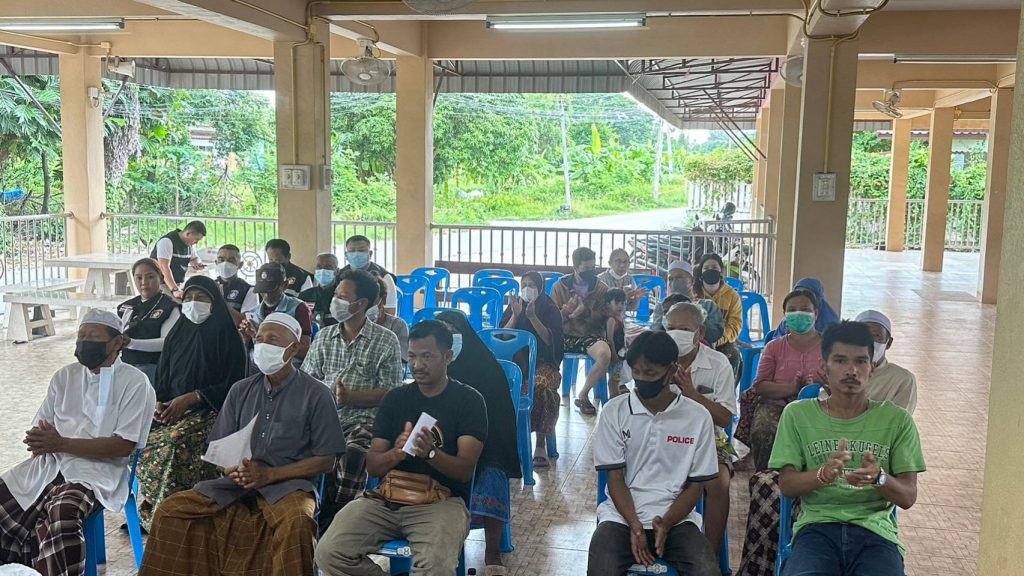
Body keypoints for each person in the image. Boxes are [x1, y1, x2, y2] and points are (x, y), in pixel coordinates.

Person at [138, 314, 346, 576]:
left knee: (297, 521)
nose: (263, 345)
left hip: (289, 486)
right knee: (171, 511)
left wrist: (270, 474)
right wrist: (233, 471)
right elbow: (220, 448)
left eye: (272, 339)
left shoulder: (316, 394)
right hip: (235, 485)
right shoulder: (240, 390)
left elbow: (327, 460)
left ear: (293, 349)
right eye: (259, 339)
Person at [315, 321, 488, 576]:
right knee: (329, 552)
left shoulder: (469, 401)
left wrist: (430, 453)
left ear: (448, 356)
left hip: (442, 502)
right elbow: (373, 466)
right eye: (412, 356)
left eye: (427, 356)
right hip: (387, 499)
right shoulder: (395, 399)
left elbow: (464, 471)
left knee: (436, 566)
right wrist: (396, 454)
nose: (417, 365)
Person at [0, 310, 156, 576]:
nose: (85, 343)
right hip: (51, 464)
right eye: (81, 336)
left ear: (117, 342)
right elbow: (42, 427)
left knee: (64, 513)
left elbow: (122, 446)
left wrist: (60, 443)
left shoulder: (134, 383)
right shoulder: (65, 376)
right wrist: (40, 440)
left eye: (93, 337)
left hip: (99, 472)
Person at [772, 321, 926, 576]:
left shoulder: (897, 420)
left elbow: (908, 497)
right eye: (840, 360)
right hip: (817, 530)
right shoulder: (797, 415)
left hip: (876, 534)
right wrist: (822, 475)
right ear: (824, 366)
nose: (851, 370)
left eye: (861, 361)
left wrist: (879, 478)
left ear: (872, 368)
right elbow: (787, 485)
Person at [588, 331, 720, 576]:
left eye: (650, 373)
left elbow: (695, 487)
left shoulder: (697, 417)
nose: (641, 379)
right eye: (636, 372)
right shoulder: (614, 412)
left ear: (672, 371)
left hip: (677, 521)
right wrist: (635, 526)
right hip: (620, 519)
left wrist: (666, 523)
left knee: (707, 571)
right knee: (601, 569)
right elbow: (615, 479)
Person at [137, 275, 248, 530]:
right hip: (172, 409)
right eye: (189, 298)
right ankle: (154, 504)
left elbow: (234, 386)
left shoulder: (227, 336)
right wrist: (159, 402)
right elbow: (163, 377)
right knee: (137, 436)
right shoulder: (178, 334)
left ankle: (171, 514)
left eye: (202, 298)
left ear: (215, 303)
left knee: (176, 442)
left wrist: (193, 397)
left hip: (212, 410)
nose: (194, 303)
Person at [301, 269, 403, 520]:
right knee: (292, 447)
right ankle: (306, 507)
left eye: (342, 297)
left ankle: (340, 516)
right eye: (336, 294)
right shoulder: (324, 337)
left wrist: (350, 397)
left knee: (353, 455)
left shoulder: (385, 340)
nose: (335, 301)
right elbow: (306, 381)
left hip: (363, 422)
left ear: (361, 304)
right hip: (322, 419)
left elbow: (391, 393)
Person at [736, 288, 823, 576]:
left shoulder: (829, 347)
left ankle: (809, 492)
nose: (799, 314)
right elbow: (760, 386)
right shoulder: (775, 347)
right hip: (777, 405)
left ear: (816, 313)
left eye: (805, 309)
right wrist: (790, 389)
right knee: (763, 430)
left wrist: (814, 389)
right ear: (784, 315)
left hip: (818, 408)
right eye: (793, 309)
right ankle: (769, 491)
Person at [439, 310, 522, 573]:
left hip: (487, 443)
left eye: (454, 332)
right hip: (442, 444)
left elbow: (500, 420)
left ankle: (492, 550)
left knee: (491, 474)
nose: (451, 338)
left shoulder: (486, 368)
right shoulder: (434, 368)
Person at [663, 302, 737, 556]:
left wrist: (692, 394)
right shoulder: (658, 359)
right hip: (663, 438)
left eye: (684, 329)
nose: (676, 335)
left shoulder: (718, 364)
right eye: (670, 328)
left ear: (700, 332)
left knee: (718, 482)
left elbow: (725, 418)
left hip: (708, 441)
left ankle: (710, 556)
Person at [500, 271, 564, 469]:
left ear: (541, 287)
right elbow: (502, 337)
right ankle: (507, 443)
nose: (527, 289)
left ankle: (540, 444)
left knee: (540, 386)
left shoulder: (551, 309)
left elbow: (551, 341)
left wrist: (533, 317)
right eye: (524, 284)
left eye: (532, 285)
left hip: (545, 365)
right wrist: (516, 315)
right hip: (518, 366)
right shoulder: (515, 306)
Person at [551, 247, 610, 416]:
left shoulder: (601, 288)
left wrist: (586, 313)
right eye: (586, 268)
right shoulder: (560, 287)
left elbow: (604, 318)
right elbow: (551, 318)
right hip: (564, 334)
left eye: (593, 268)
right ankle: (550, 395)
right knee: (543, 352)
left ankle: (583, 394)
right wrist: (565, 313)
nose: (590, 272)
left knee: (605, 354)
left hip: (589, 335)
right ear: (575, 268)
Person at [837, 310, 917, 413]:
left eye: (876, 336)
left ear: (888, 343)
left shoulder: (902, 379)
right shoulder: (837, 372)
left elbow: (898, 419)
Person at [118, 258, 180, 385]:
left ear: (161, 278)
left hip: (152, 366)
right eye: (139, 278)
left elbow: (166, 343)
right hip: (124, 364)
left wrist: (131, 343)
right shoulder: (126, 306)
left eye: (150, 277)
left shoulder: (170, 307)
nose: (144, 283)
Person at [240, 263, 313, 363]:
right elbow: (246, 351)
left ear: (285, 285)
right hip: (258, 364)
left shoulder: (298, 308)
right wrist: (245, 337)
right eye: (263, 290)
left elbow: (306, 350)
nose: (266, 295)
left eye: (272, 290)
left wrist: (265, 336)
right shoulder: (253, 313)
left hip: (288, 363)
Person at [695, 253, 743, 380]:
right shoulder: (693, 293)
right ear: (701, 272)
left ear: (721, 271)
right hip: (694, 341)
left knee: (733, 357)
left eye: (714, 268)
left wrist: (717, 340)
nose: (710, 270)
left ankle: (727, 391)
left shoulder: (732, 296)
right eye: (706, 268)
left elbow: (735, 325)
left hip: (722, 342)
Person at [340, 234, 398, 315]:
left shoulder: (384, 277)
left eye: (361, 250)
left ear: (370, 254)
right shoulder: (339, 276)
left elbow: (390, 311)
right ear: (346, 255)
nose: (356, 254)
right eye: (352, 251)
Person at [770, 277, 840, 341]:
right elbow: (776, 340)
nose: (801, 297)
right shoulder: (789, 320)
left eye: (807, 295)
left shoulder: (832, 324)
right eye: (797, 293)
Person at [150, 220, 206, 299]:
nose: (196, 243)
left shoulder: (189, 245)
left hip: (178, 284)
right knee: (182, 303)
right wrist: (175, 290)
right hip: (161, 285)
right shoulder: (167, 242)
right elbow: (163, 268)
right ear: (188, 233)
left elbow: (194, 258)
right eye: (196, 240)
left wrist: (197, 263)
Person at [214, 244, 258, 326]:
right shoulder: (209, 286)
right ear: (216, 263)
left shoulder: (249, 290)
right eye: (221, 260)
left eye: (231, 260)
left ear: (240, 265)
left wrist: (221, 302)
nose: (225, 264)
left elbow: (245, 322)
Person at [370, 275, 409, 363]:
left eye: (373, 300)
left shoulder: (397, 326)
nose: (367, 305)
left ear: (383, 300)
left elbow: (401, 361)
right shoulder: (351, 327)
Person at [299, 252, 342, 328]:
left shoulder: (342, 296)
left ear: (337, 271)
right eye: (319, 267)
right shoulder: (304, 295)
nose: (323, 270)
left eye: (328, 267)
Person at [604, 288, 627, 397]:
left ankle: (615, 397)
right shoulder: (612, 320)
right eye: (617, 303)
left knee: (616, 378)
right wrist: (613, 354)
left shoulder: (620, 318)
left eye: (622, 303)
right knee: (614, 379)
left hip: (619, 354)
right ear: (608, 304)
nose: (620, 306)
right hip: (615, 355)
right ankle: (614, 398)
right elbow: (610, 338)